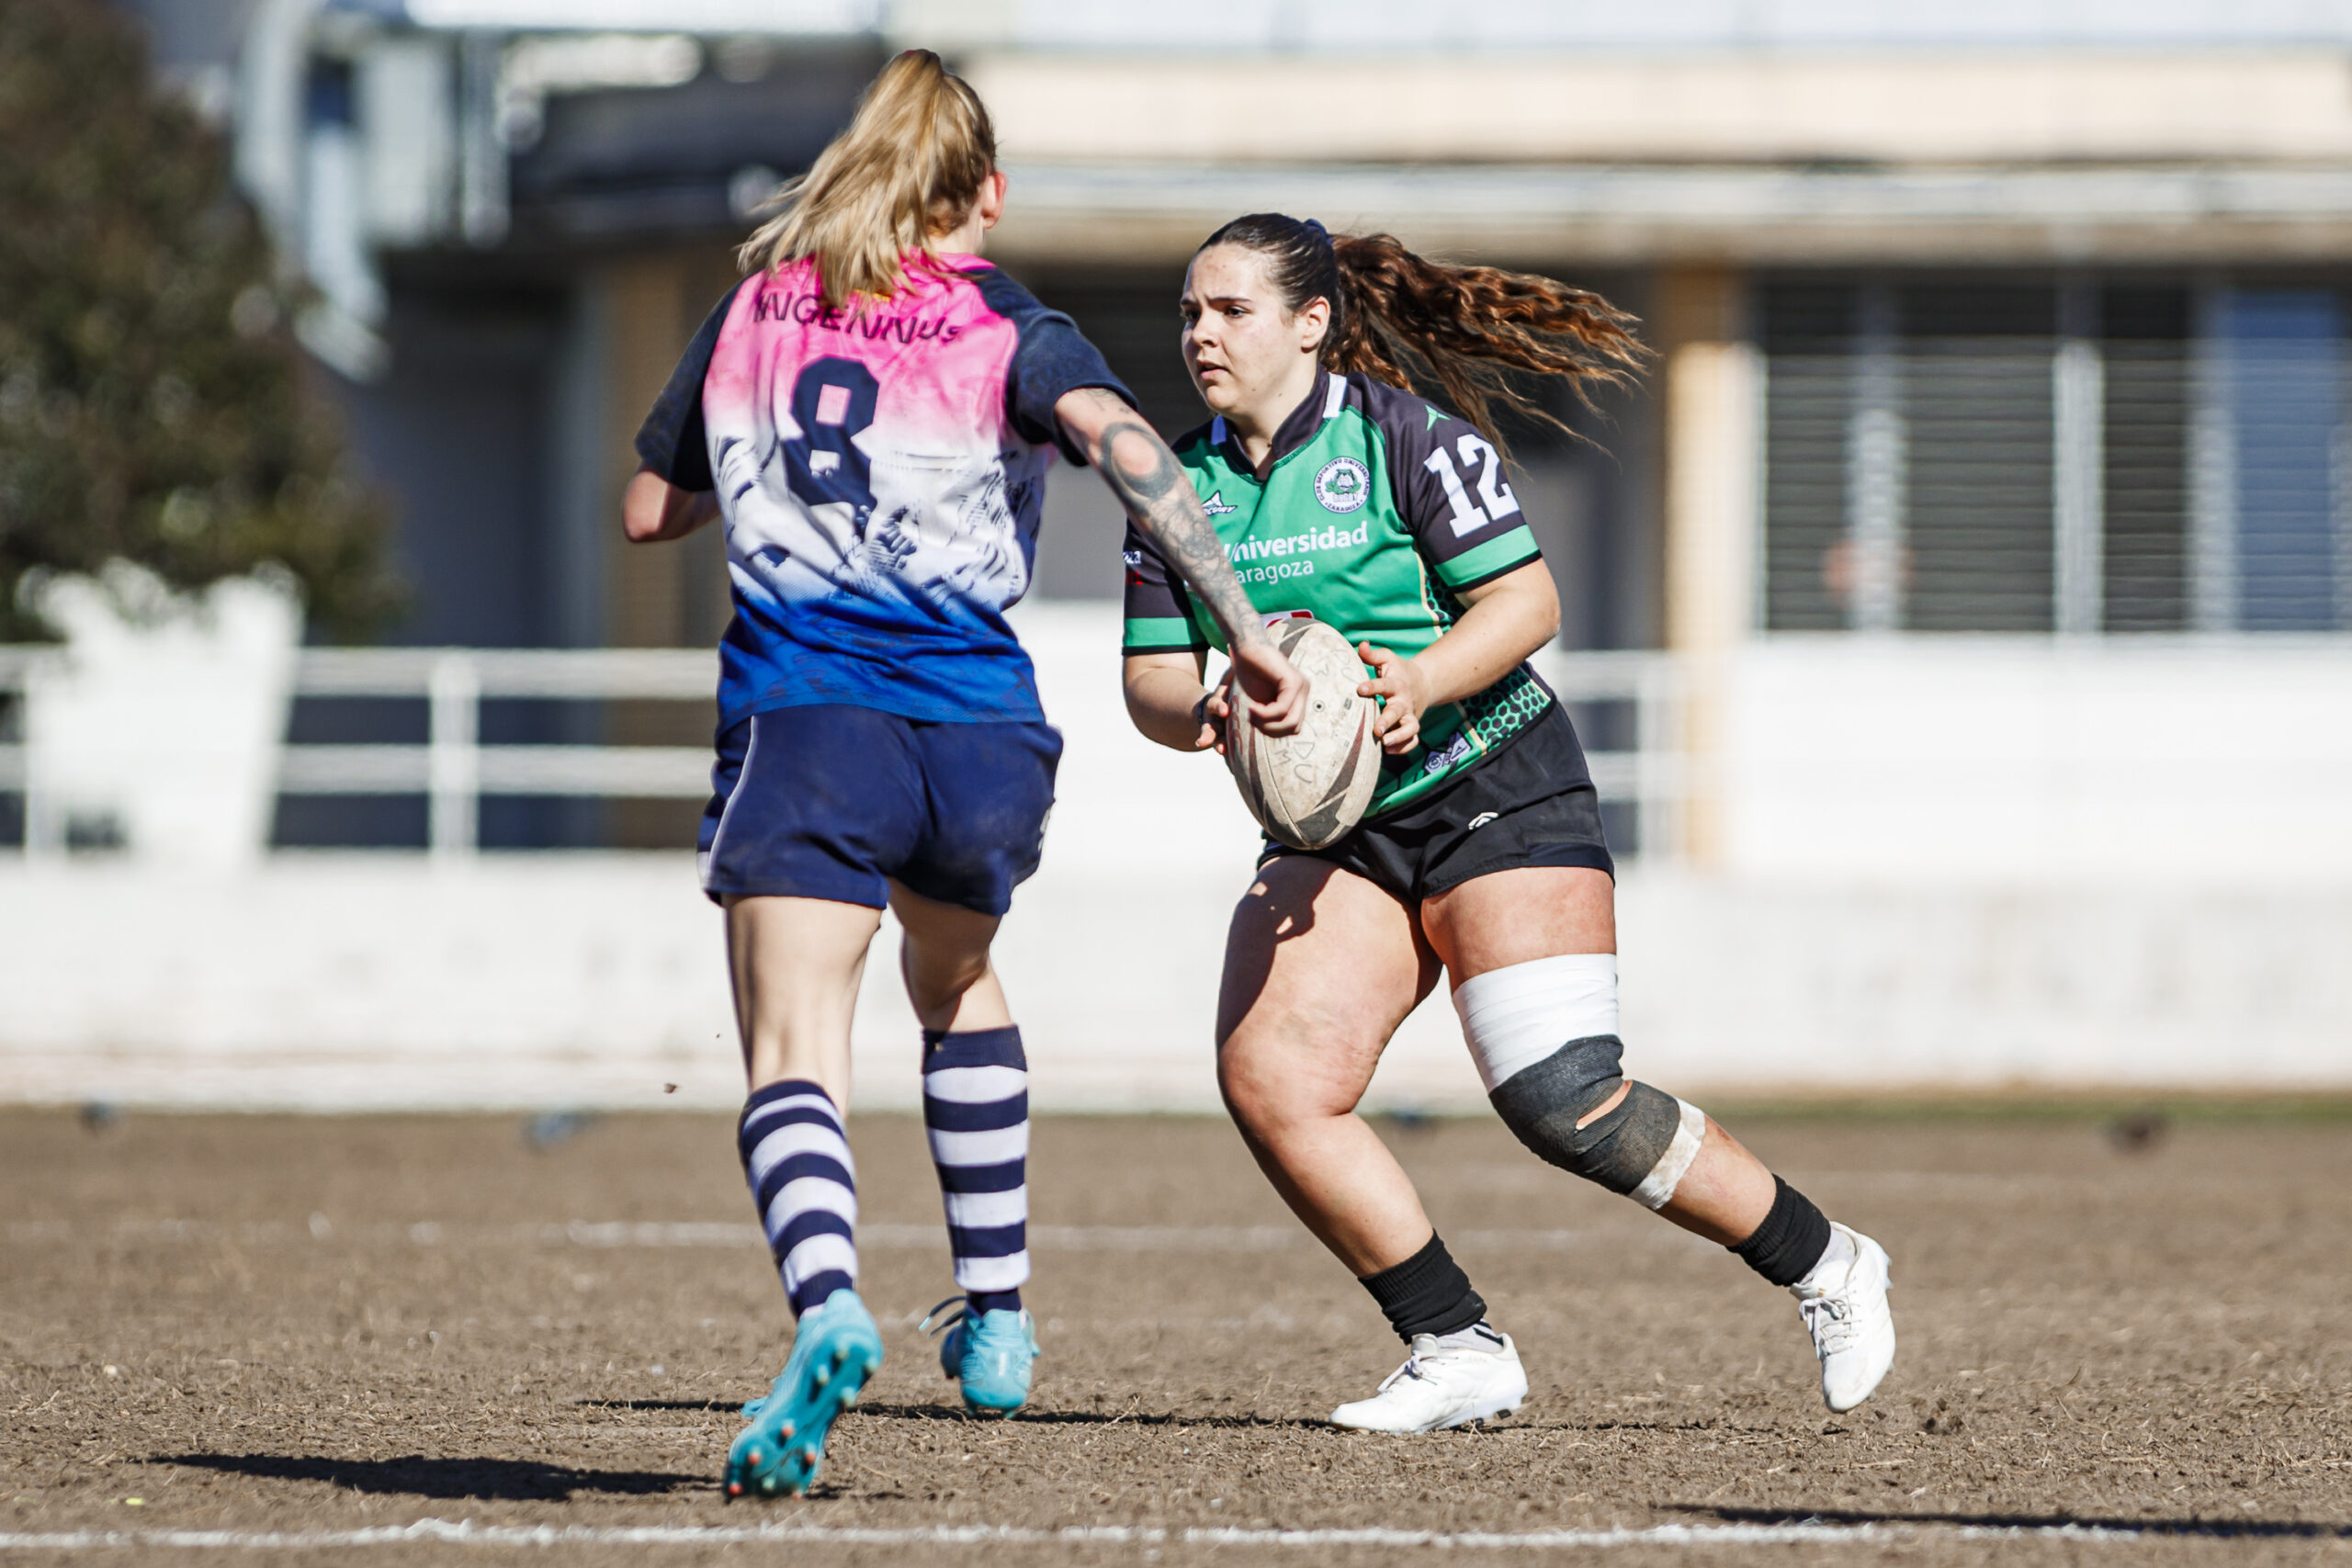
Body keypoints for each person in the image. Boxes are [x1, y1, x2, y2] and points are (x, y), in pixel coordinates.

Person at [624, 59, 1304, 1496]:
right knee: (956, 982)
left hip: (815, 720)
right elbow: (1129, 450)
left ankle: (829, 1308)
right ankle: (996, 1317)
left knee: (795, 1042)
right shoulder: (1011, 324)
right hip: (984, 740)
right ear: (984, 192)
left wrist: (761, 476)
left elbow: (648, 509)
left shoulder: (756, 310)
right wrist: (1243, 628)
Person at [1120, 214, 1896, 1434]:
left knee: (1563, 1098)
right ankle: (1455, 1345)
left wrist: (1420, 683)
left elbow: (1527, 603)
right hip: (1343, 832)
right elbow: (1151, 681)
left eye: (1230, 311)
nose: (1200, 335)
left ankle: (1828, 1262)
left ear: (1311, 322)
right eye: (1188, 313)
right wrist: (1208, 706)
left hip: (1497, 780)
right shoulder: (1177, 491)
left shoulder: (1403, 438)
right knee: (1273, 1080)